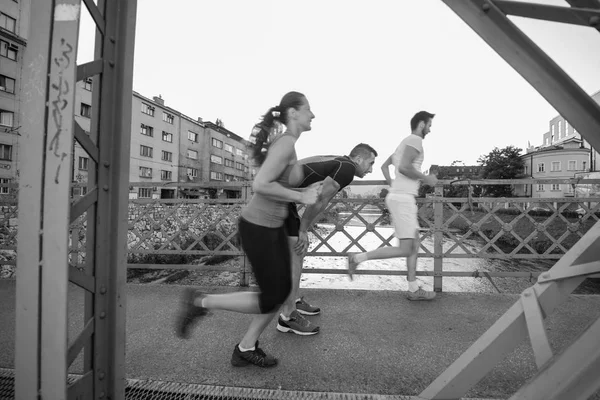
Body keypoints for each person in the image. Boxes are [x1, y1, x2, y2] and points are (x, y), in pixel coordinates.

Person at [174, 91, 322, 367]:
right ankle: (200, 303)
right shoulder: (286, 143)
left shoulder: (288, 143)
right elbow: (261, 184)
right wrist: (302, 197)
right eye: (308, 109)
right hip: (258, 227)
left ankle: (245, 347)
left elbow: (278, 185)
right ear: (294, 113)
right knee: (273, 296)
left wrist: (303, 190)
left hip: (271, 226)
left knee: (280, 293)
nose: (313, 114)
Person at [275, 144, 378, 335]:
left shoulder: (341, 162)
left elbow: (320, 197)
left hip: (281, 194)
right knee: (296, 251)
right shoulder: (347, 169)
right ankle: (287, 317)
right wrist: (303, 229)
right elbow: (320, 199)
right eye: (370, 163)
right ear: (359, 159)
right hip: (276, 196)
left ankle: (293, 300)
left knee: (298, 252)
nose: (371, 169)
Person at [347, 111, 438, 301]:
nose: (430, 129)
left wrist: (393, 186)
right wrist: (426, 178)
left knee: (414, 244)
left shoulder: (402, 143)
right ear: (421, 124)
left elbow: (385, 166)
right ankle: (357, 258)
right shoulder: (415, 140)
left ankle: (413, 289)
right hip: (403, 199)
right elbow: (404, 168)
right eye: (429, 125)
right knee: (406, 248)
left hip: (401, 196)